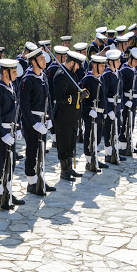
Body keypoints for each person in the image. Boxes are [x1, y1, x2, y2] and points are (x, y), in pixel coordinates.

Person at [0, 59, 25, 209]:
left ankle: (7, 190)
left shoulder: (11, 85)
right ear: (5, 72)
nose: (16, 74)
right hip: (1, 132)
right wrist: (3, 134)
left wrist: (19, 127)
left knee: (11, 161)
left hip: (12, 130)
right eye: (14, 72)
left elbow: (16, 109)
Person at [19, 48, 54, 195]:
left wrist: (50, 118)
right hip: (32, 121)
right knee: (32, 150)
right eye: (41, 59)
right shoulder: (27, 80)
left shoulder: (43, 77)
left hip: (43, 120)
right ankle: (32, 182)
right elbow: (24, 107)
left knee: (42, 151)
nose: (44, 61)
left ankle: (40, 178)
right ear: (33, 61)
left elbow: (48, 99)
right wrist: (34, 124)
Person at [52, 51, 88, 180]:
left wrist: (80, 94)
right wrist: (77, 97)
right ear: (72, 63)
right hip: (63, 116)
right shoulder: (61, 75)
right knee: (64, 144)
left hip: (73, 115)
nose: (78, 68)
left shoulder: (71, 74)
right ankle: (64, 170)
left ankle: (70, 168)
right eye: (77, 65)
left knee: (72, 143)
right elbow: (60, 98)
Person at [80, 55, 109, 172]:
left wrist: (105, 111)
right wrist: (88, 110)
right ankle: (89, 161)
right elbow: (82, 99)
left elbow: (104, 97)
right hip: (91, 114)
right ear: (94, 66)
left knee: (97, 137)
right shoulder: (87, 80)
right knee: (89, 136)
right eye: (101, 66)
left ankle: (95, 157)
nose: (103, 68)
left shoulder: (101, 79)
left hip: (99, 114)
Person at [119, 48, 137, 154]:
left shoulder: (133, 70)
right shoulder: (124, 70)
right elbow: (120, 88)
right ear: (130, 59)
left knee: (131, 123)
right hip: (126, 100)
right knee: (124, 123)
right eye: (136, 61)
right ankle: (122, 146)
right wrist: (124, 101)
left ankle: (129, 144)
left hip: (133, 100)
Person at [102, 49, 124, 163]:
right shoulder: (106, 75)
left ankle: (116, 150)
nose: (120, 62)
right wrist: (108, 110)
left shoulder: (118, 73)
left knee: (117, 129)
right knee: (109, 130)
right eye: (117, 60)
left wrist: (122, 106)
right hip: (110, 105)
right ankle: (108, 153)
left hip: (118, 105)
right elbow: (104, 95)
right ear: (111, 62)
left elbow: (121, 91)